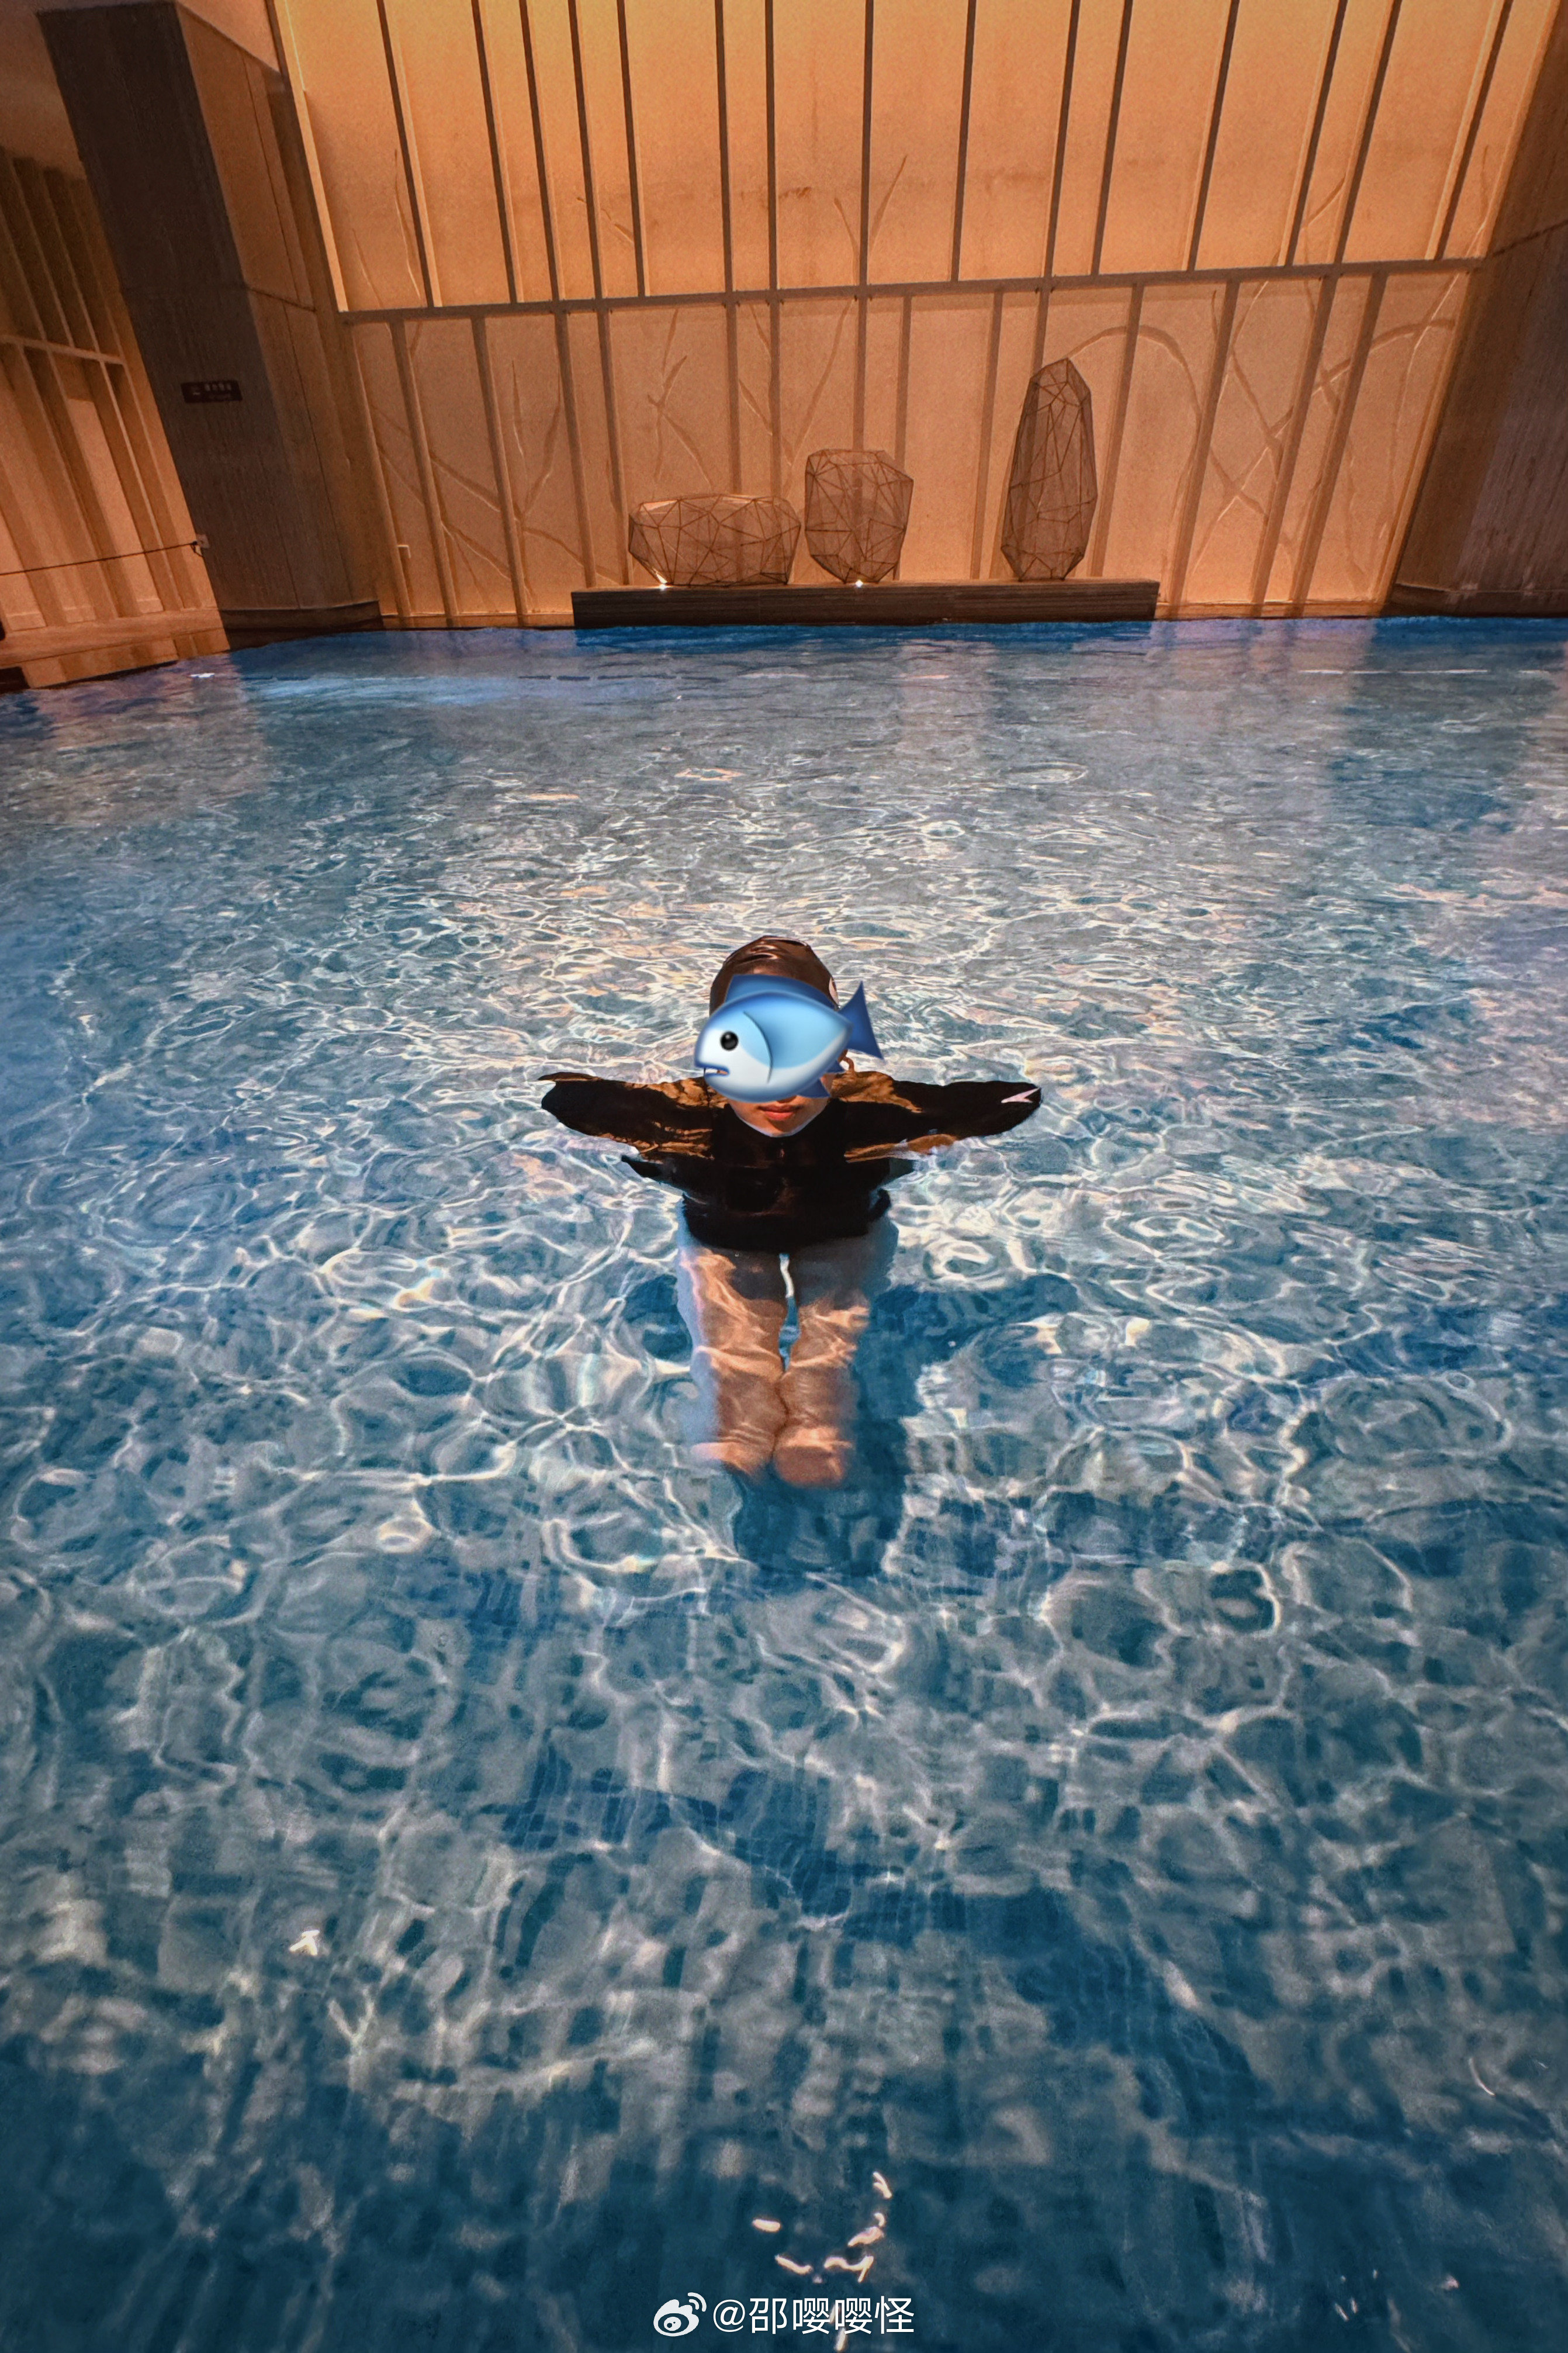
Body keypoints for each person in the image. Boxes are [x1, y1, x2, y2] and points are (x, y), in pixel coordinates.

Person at [541, 937, 1040, 1487]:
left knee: (827, 1350)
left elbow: (1010, 1101)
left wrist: (940, 1140)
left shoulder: (872, 1111)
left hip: (845, 1233)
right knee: (733, 1350)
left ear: (839, 1057)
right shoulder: (684, 1116)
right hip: (723, 1238)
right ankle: (741, 1403)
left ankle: (817, 1399)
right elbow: (571, 1099)